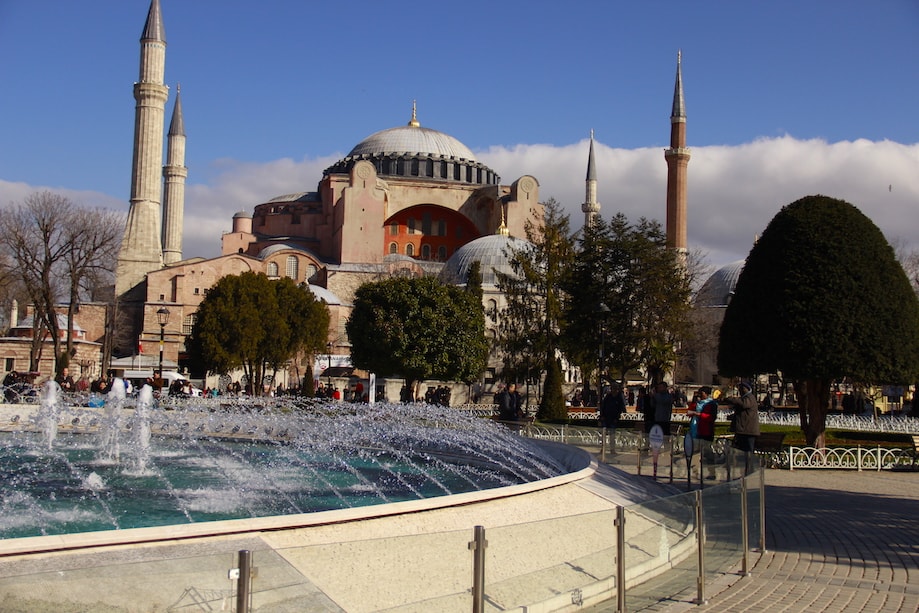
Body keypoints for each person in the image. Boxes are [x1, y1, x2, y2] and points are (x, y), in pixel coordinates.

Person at [727, 381, 761, 474]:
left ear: (746, 389)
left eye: (742, 389)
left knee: (748, 452)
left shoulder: (749, 398)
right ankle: (745, 469)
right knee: (742, 452)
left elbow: (744, 404)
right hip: (743, 430)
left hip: (748, 430)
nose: (740, 391)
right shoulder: (745, 398)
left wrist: (731, 399)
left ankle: (749, 469)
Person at [687, 386, 718, 480]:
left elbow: (711, 417)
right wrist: (694, 401)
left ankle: (711, 472)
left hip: (706, 430)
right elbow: (689, 412)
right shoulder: (697, 403)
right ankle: (694, 472)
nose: (700, 394)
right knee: (695, 452)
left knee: (707, 453)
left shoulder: (711, 404)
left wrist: (699, 414)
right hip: (695, 429)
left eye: (702, 393)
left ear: (706, 393)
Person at [599, 384, 625, 453]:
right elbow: (603, 406)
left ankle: (612, 449)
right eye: (613, 389)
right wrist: (602, 416)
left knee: (612, 435)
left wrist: (617, 417)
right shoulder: (608, 397)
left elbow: (621, 408)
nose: (614, 391)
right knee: (604, 434)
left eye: (615, 389)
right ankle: (603, 448)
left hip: (613, 419)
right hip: (606, 418)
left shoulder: (619, 398)